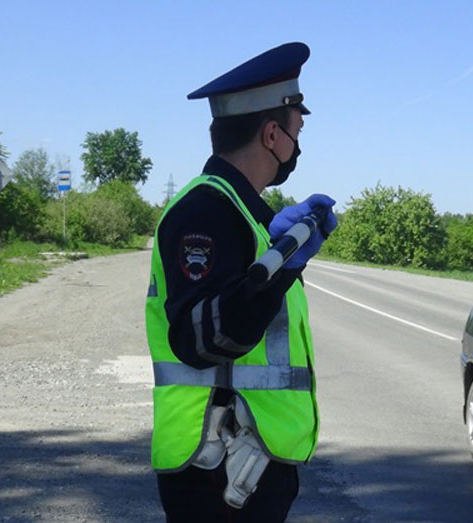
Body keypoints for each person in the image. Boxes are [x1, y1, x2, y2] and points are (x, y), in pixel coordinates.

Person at [145, 42, 336, 522]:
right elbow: (201, 337)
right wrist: (282, 268)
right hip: (219, 468)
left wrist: (286, 251)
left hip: (244, 463)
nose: (298, 142)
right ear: (272, 134)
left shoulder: (245, 211)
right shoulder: (206, 211)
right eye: (297, 129)